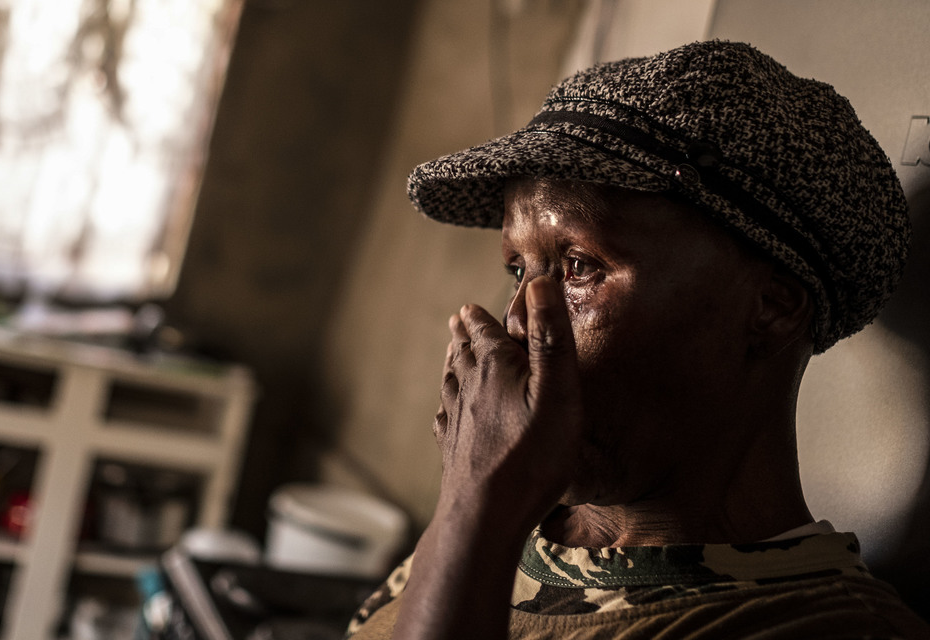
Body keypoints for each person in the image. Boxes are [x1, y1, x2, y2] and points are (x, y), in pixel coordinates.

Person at [346, 41, 930, 639]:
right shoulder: (512, 528)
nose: (516, 323)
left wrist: (474, 506)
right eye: (517, 270)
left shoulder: (825, 627)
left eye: (578, 267)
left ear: (771, 308)